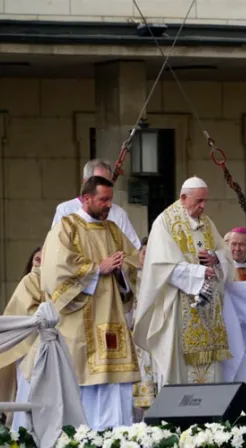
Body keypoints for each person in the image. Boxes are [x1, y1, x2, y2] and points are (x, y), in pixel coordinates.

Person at [40, 175, 141, 429]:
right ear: (86, 199)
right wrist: (98, 269)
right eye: (103, 200)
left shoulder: (114, 230)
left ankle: (121, 437)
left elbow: (133, 264)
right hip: (81, 321)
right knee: (86, 385)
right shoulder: (67, 227)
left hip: (113, 319)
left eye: (110, 200)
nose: (109, 205)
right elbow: (57, 270)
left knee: (117, 387)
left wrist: (120, 271)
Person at [133, 176, 236, 388]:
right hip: (179, 307)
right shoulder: (165, 222)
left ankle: (210, 417)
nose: (203, 207)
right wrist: (198, 273)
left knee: (210, 370)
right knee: (179, 369)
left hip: (208, 311)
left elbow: (225, 252)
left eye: (205, 201)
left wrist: (216, 258)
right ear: (183, 198)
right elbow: (161, 265)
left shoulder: (207, 223)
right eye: (199, 201)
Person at [52, 159, 141, 249]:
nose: (105, 187)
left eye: (108, 183)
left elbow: (134, 250)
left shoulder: (119, 214)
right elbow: (57, 248)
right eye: (100, 182)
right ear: (85, 182)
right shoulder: (65, 210)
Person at [0, 248, 44, 430]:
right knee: (27, 396)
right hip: (28, 349)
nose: (39, 262)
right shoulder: (29, 281)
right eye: (37, 258)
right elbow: (25, 314)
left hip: (54, 347)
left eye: (44, 258)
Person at [129, 237, 155, 422]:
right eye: (144, 252)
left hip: (156, 335)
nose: (146, 256)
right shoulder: (130, 277)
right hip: (136, 337)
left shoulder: (159, 277)